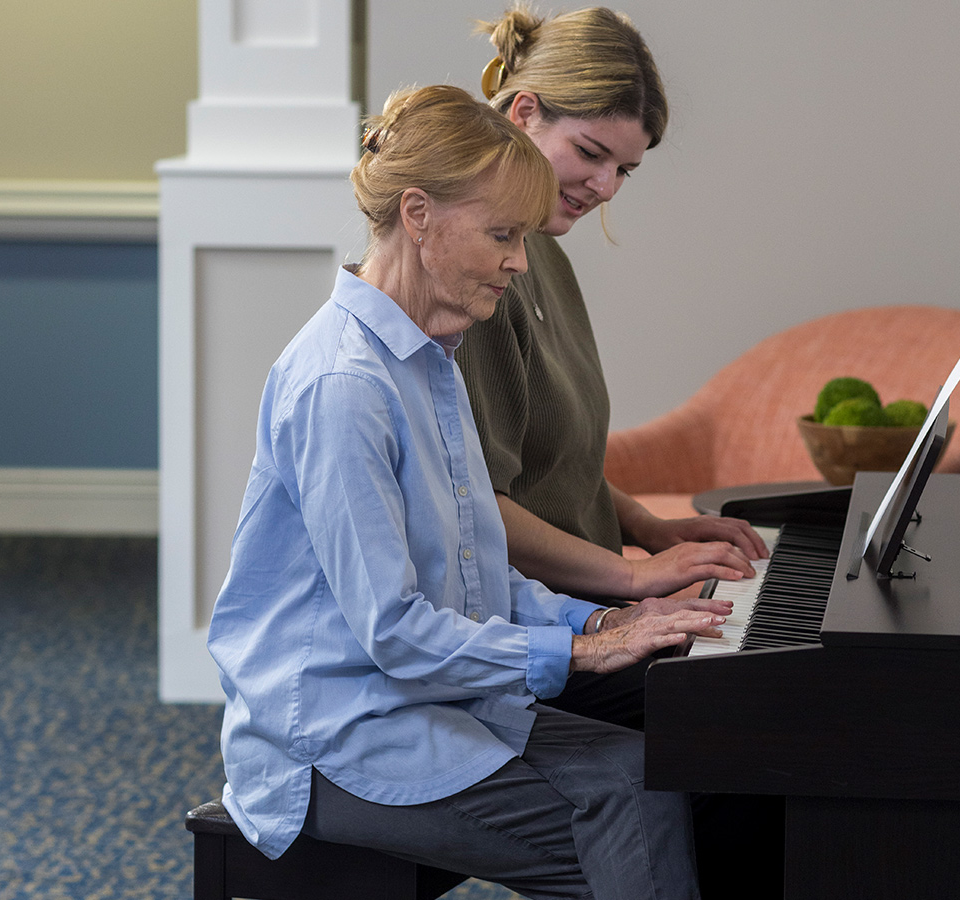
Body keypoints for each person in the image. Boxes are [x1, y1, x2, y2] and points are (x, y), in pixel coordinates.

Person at [207, 84, 731, 899]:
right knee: (642, 826)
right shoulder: (344, 385)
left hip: (422, 703)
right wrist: (586, 650)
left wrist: (599, 618)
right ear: (418, 215)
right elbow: (395, 632)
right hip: (337, 737)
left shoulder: (428, 358)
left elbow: (473, 575)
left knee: (656, 779)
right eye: (502, 235)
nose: (520, 262)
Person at [457, 4, 768, 611]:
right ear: (524, 112)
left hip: (587, 599)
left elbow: (556, 469)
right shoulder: (477, 274)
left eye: (624, 169)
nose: (605, 188)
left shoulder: (539, 251)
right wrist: (629, 581)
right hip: (534, 621)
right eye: (591, 152)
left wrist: (653, 532)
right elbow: (475, 510)